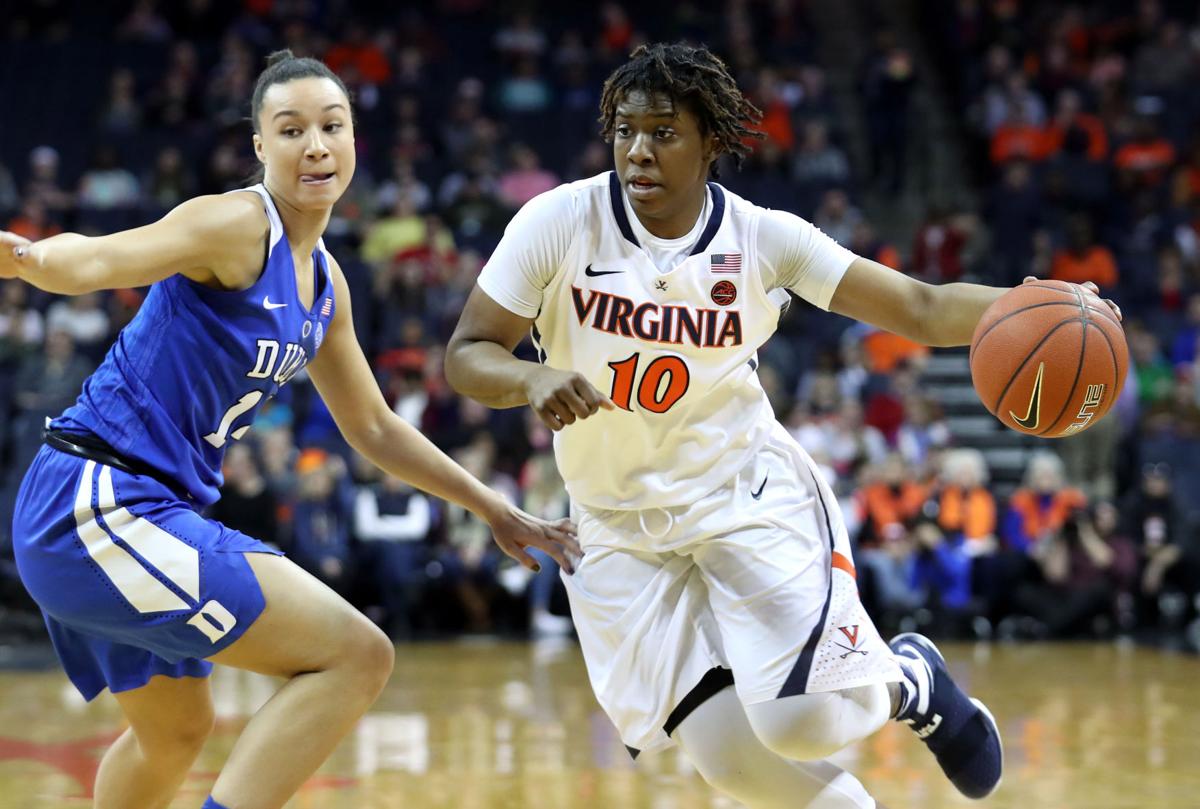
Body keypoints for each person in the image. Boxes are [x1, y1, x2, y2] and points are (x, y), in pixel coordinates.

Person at [446, 42, 1120, 808]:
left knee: (799, 724)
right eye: (625, 130)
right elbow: (468, 353)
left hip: (743, 494)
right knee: (732, 761)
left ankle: (906, 678)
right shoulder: (559, 221)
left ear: (711, 143)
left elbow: (921, 308)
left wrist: (1055, 302)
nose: (638, 149)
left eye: (663, 132)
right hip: (613, 524)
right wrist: (528, 375)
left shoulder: (763, 239)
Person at [0, 50, 578, 809]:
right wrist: (33, 256)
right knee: (355, 654)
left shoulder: (326, 283)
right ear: (259, 147)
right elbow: (101, 259)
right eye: (291, 128)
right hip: (97, 501)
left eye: (332, 126)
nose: (315, 145)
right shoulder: (235, 223)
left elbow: (372, 425)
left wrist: (493, 507)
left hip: (133, 508)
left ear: (353, 141)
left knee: (175, 731)